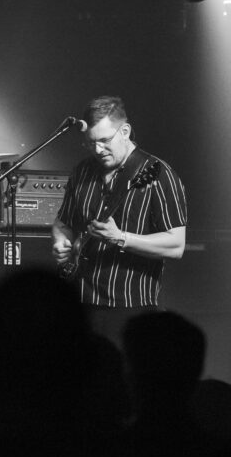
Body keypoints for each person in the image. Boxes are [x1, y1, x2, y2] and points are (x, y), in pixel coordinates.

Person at [52, 96, 187, 342]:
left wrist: (121, 238)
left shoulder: (158, 174)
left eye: (104, 141)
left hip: (129, 307)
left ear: (124, 131)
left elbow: (176, 245)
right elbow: (63, 222)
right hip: (79, 301)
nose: (97, 150)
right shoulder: (83, 171)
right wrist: (62, 242)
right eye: (91, 143)